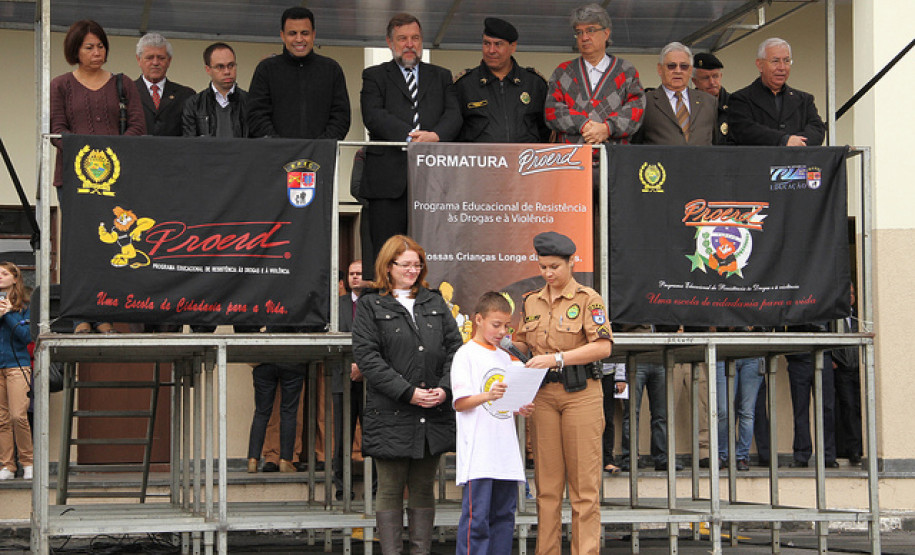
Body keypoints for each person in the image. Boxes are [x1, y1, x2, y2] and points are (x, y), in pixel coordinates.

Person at [352, 235, 462, 554]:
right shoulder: (372, 305)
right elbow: (369, 358)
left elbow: (456, 348)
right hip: (391, 411)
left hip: (434, 411)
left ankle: (420, 550)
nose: (413, 270)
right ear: (388, 267)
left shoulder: (434, 302)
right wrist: (408, 393)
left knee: (424, 487)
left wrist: (445, 387)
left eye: (418, 265)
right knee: (389, 487)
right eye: (406, 265)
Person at [511, 231, 613, 555]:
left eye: (554, 266)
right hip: (543, 396)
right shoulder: (530, 300)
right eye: (542, 267)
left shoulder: (588, 298)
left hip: (581, 393)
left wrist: (557, 358)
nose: (548, 273)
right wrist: (494, 339)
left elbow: (603, 346)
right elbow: (523, 344)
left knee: (584, 489)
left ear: (572, 261)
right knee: (548, 489)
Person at [51, 19, 146, 335]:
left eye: (101, 45)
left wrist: (109, 153)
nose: (97, 52)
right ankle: (80, 317)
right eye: (89, 46)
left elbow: (137, 127)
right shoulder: (61, 84)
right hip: (74, 180)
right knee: (79, 247)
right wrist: (87, 153)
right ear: (75, 50)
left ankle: (104, 315)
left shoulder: (123, 83)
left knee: (112, 244)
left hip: (116, 180)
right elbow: (56, 130)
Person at [359, 13, 462, 280]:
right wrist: (411, 137)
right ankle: (386, 305)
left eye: (415, 38)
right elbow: (373, 115)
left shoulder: (441, 76)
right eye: (402, 38)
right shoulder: (374, 75)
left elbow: (454, 115)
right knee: (387, 252)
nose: (409, 44)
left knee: (433, 248)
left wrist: (435, 136)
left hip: (433, 180)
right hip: (387, 180)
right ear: (389, 42)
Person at [451, 292, 534, 555]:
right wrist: (488, 395)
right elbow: (460, 402)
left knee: (503, 518)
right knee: (477, 520)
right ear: (478, 319)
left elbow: (506, 403)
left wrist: (521, 406)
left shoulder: (506, 357)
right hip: (480, 452)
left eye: (506, 326)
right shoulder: (466, 354)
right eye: (495, 325)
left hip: (505, 452)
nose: (502, 332)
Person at [544, 4, 644, 145]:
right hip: (572, 160)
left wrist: (607, 128)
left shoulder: (626, 71)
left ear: (606, 33)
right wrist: (582, 124)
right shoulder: (563, 72)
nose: (584, 37)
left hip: (614, 158)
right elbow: (551, 110)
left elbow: (636, 109)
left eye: (590, 30)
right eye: (579, 32)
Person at [247, 7, 351, 140]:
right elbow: (256, 114)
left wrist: (320, 145)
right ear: (282, 35)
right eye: (292, 33)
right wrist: (278, 143)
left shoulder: (331, 70)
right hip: (276, 155)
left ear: (313, 34)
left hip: (321, 155)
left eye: (305, 33)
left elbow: (341, 116)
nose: (299, 39)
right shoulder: (266, 69)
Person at [453, 17, 549, 143]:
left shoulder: (534, 84)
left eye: (498, 44)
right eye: (487, 43)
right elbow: (452, 129)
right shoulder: (465, 84)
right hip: (480, 161)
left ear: (512, 47)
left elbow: (547, 131)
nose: (491, 50)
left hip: (524, 159)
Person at [728, 37, 826, 146]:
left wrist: (798, 142)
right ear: (760, 65)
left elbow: (817, 129)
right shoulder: (741, 99)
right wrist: (784, 140)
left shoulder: (804, 100)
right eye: (775, 61)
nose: (782, 67)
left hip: (796, 160)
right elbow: (745, 130)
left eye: (787, 61)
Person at [634, 42, 716, 146]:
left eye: (684, 66)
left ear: (690, 70)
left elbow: (716, 142)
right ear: (660, 69)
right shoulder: (645, 102)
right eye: (671, 66)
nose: (678, 71)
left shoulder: (709, 102)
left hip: (701, 161)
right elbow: (635, 144)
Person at [332, 260, 367, 499]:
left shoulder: (377, 303)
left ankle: (374, 487)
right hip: (342, 377)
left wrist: (363, 366)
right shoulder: (337, 305)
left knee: (372, 434)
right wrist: (350, 366)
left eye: (360, 274)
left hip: (371, 380)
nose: (356, 277)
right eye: (352, 274)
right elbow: (332, 340)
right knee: (342, 434)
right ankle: (342, 487)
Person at [0, 263, 33, 481]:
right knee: (1, 419)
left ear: (14, 278)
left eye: (3, 274)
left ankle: (28, 462)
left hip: (17, 365)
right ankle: (7, 466)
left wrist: (8, 314)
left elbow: (27, 336)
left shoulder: (24, 305)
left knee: (18, 415)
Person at [246, 362, 306, 473]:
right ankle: (286, 460)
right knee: (289, 412)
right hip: (291, 362)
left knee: (261, 413)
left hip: (263, 362)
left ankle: (253, 460)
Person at [182, 42, 249, 138]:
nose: (227, 71)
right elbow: (190, 143)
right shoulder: (194, 104)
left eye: (231, 65)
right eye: (220, 67)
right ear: (208, 69)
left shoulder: (250, 102)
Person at [134, 33, 195, 137]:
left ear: (169, 61)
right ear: (139, 60)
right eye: (149, 58)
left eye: (161, 58)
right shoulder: (126, 92)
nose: (155, 62)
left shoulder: (186, 95)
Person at [715, 356, 765, 471]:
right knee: (724, 411)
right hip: (724, 354)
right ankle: (722, 455)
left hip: (753, 356)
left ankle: (742, 457)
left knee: (747, 412)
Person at [833, 284, 862, 466]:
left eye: (852, 293)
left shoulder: (859, 316)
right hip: (842, 369)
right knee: (848, 408)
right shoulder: (834, 316)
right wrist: (832, 360)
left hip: (859, 369)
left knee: (859, 408)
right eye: (847, 293)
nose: (850, 296)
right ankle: (853, 450)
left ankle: (859, 447)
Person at [692, 52, 734, 145]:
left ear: (721, 76)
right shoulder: (687, 107)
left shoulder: (735, 104)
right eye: (705, 78)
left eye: (715, 76)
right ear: (695, 81)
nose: (712, 82)